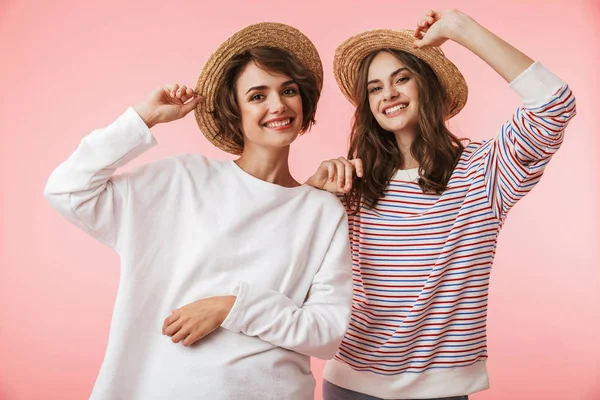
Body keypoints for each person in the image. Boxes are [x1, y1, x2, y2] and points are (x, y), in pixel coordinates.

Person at [44, 22, 353, 400]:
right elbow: (68, 190)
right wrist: (143, 118)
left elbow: (327, 333)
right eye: (257, 95)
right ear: (233, 110)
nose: (278, 105)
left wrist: (232, 307)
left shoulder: (323, 210)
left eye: (288, 90)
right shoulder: (183, 181)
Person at [305, 9, 576, 400]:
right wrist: (310, 195)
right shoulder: (353, 183)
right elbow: (288, 262)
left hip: (441, 390)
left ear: (426, 86)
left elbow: (554, 105)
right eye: (375, 88)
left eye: (402, 79)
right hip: (349, 384)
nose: (389, 95)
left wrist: (461, 30)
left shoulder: (483, 172)